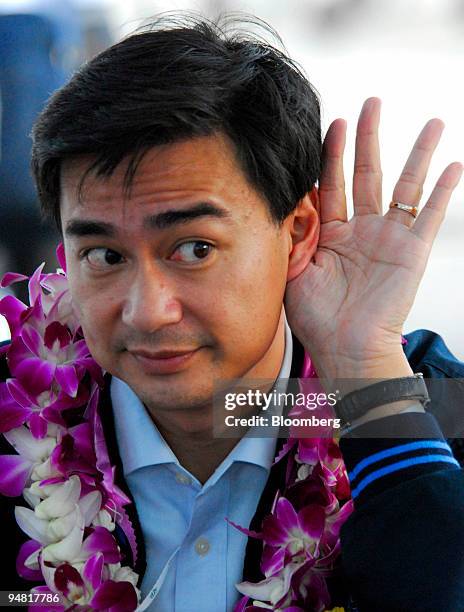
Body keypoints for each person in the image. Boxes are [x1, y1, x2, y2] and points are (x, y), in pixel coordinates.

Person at [1, 14, 464, 612]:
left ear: (297, 232)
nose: (147, 312)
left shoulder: (436, 410)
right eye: (105, 254)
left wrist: (365, 370)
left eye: (194, 249)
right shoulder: (16, 421)